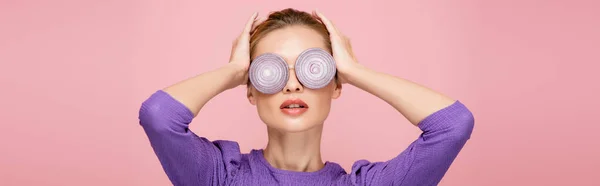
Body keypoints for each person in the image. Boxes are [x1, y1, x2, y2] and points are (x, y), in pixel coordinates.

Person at [138, 8, 475, 186]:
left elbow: (453, 126)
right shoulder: (219, 177)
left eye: (313, 67)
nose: (293, 85)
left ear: (336, 84)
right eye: (271, 71)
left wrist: (355, 70)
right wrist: (234, 70)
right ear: (251, 89)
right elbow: (159, 116)